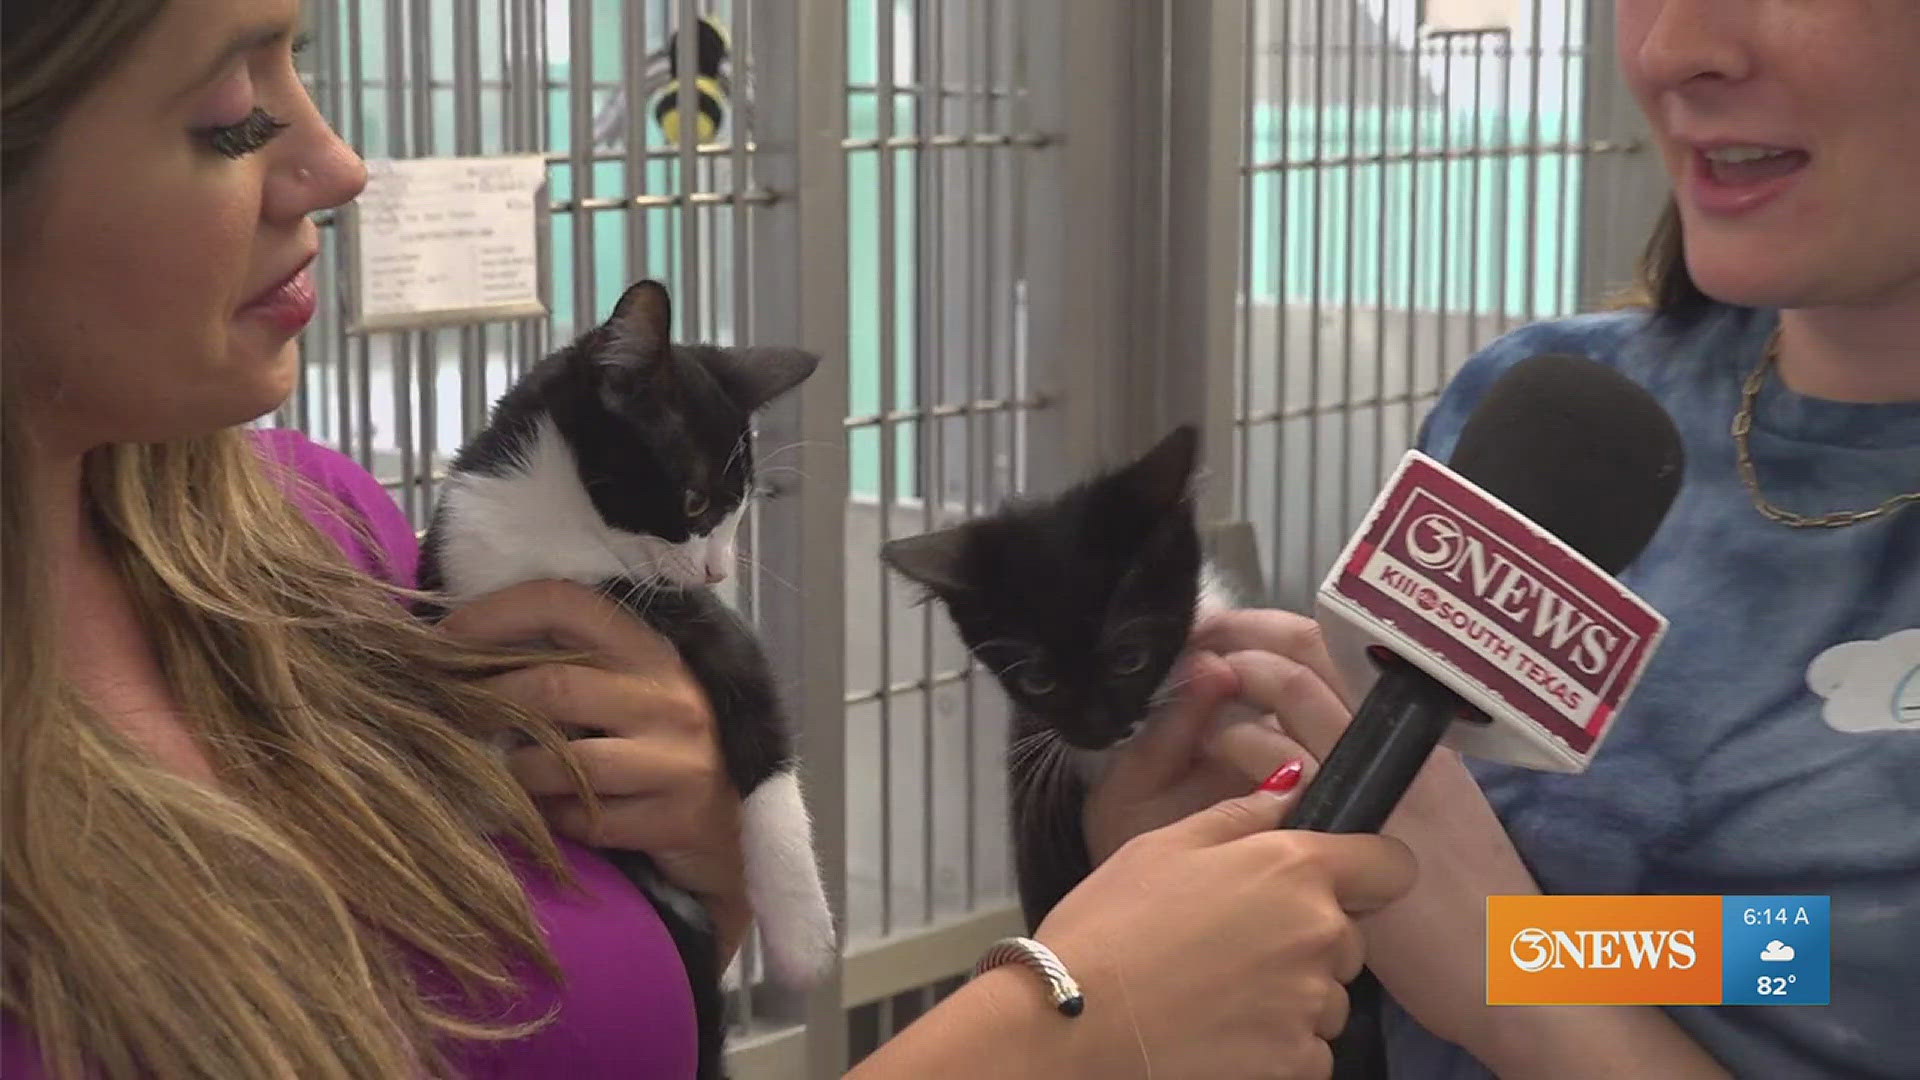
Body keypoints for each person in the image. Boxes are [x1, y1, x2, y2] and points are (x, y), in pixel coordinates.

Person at [0, 1, 1419, 1077]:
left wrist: (1514, 954)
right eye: (234, 110)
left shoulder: (310, 539)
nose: (336, 160)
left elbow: (1622, 972)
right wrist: (1062, 982)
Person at [1084, 0, 1920, 1077]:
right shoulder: (1559, 418)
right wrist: (1229, 886)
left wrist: (1516, 965)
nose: (1673, 48)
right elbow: (1768, 954)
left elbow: (1812, 962)